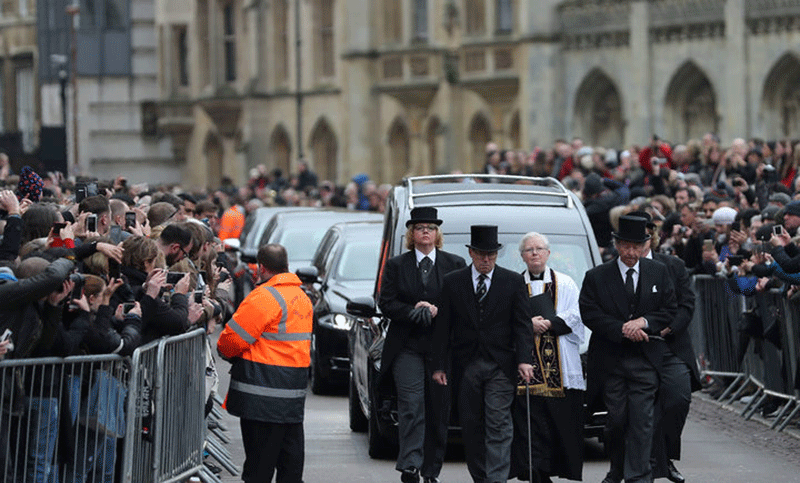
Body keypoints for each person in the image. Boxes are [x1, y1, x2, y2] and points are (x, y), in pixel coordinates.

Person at [432, 225, 535, 483]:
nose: (486, 259)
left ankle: (496, 479)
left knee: (498, 423)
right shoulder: (453, 282)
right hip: (466, 365)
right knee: (472, 425)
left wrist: (524, 359)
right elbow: (443, 327)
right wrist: (439, 365)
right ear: (471, 253)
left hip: (501, 364)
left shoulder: (512, 282)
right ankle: (481, 476)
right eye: (480, 254)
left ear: (497, 255)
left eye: (491, 254)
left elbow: (522, 325)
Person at [579, 215, 678, 483]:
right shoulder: (596, 277)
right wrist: (622, 328)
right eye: (626, 246)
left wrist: (643, 323)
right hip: (611, 360)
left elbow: (669, 309)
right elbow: (589, 312)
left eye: (637, 246)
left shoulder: (658, 272)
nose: (631, 253)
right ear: (617, 245)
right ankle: (618, 467)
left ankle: (639, 476)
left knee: (642, 420)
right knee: (617, 420)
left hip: (646, 359)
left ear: (645, 244)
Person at [378, 207, 466, 483]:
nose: (425, 231)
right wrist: (412, 309)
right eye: (419, 227)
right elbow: (386, 303)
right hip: (407, 346)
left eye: (430, 227)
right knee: (411, 405)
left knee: (439, 408)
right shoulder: (396, 265)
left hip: (442, 349)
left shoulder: (455, 264)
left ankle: (431, 470)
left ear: (437, 233)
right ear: (411, 234)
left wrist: (440, 309)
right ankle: (410, 465)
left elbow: (464, 305)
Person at [217, 243, 312, 483]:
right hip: (292, 399)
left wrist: (228, 354)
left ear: (260, 267)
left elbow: (230, 341)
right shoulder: (302, 298)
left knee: (259, 469)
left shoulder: (264, 297)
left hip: (261, 398)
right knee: (291, 468)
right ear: (286, 266)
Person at [627, 211, 700, 483]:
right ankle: (649, 462)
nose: (639, 242)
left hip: (670, 346)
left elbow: (687, 303)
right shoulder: (617, 268)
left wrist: (670, 327)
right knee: (641, 408)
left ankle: (665, 456)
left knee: (678, 398)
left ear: (652, 236)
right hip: (635, 348)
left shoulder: (673, 265)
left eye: (644, 235)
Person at [510, 232, 585, 482]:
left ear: (548, 253)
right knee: (531, 422)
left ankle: (553, 468)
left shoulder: (565, 283)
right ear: (521, 256)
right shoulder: (513, 284)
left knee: (555, 422)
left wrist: (549, 324)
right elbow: (505, 319)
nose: (534, 253)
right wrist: (526, 324)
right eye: (529, 250)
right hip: (526, 365)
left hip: (559, 364)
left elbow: (576, 315)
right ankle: (534, 469)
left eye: (539, 249)